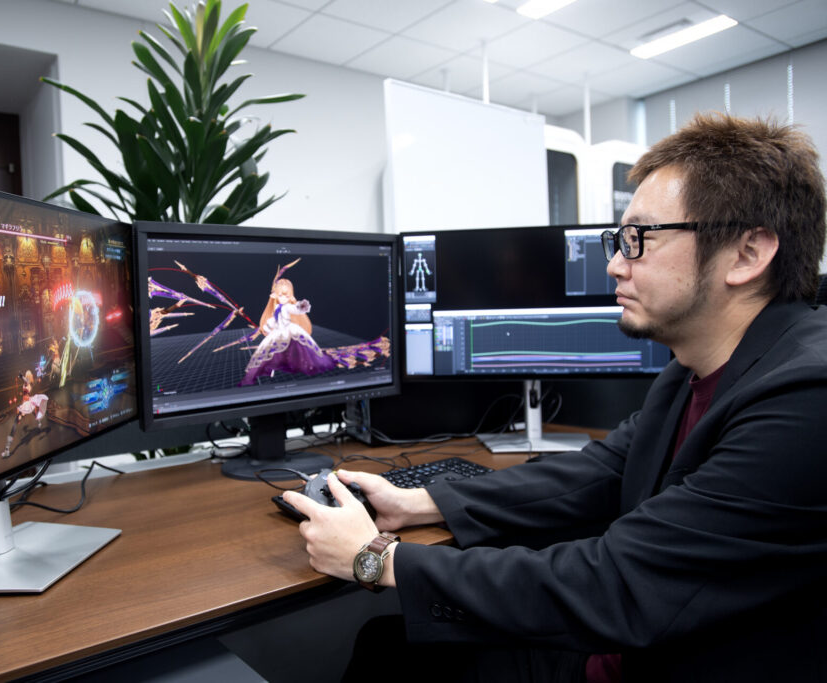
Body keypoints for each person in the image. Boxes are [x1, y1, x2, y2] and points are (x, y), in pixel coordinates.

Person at [284, 113, 827, 682]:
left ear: (747, 254)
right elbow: (601, 472)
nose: (616, 263)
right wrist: (421, 503)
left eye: (639, 239)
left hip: (660, 659)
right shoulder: (695, 368)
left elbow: (615, 583)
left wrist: (379, 560)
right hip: (616, 650)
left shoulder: (806, 399)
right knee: (389, 646)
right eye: (618, 241)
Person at [240, 277, 336, 385]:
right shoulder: (277, 307)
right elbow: (275, 319)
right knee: (268, 351)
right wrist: (268, 326)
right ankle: (265, 372)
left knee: (297, 349)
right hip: (279, 331)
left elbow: (295, 309)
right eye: (281, 295)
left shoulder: (287, 307)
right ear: (276, 295)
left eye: (287, 295)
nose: (284, 298)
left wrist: (301, 306)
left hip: (289, 331)